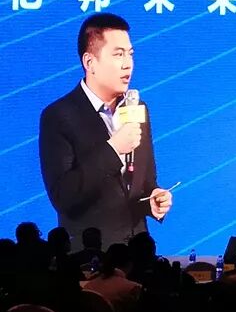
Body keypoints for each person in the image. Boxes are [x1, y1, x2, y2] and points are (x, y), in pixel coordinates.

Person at [38, 14, 172, 250]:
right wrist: (113, 149)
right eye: (118, 54)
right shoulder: (59, 116)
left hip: (138, 253)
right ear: (90, 62)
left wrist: (154, 198)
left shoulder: (137, 108)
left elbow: (144, 181)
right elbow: (63, 196)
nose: (128, 64)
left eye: (130, 54)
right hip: (90, 255)